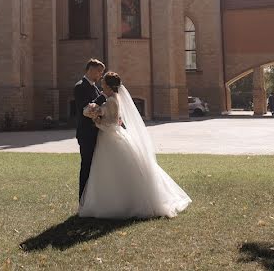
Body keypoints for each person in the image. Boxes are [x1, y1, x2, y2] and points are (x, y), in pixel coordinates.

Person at [78, 72, 192, 219]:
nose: (102, 88)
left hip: (110, 137)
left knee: (114, 170)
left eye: (103, 85)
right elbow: (114, 119)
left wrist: (96, 121)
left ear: (109, 86)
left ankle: (120, 203)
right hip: (111, 137)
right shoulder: (113, 98)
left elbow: (111, 124)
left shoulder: (112, 100)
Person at [74, 58, 106, 201]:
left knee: (95, 166)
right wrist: (103, 98)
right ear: (91, 69)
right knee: (86, 164)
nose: (100, 75)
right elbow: (86, 110)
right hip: (86, 133)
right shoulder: (80, 86)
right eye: (99, 71)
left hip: (96, 131)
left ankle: (92, 198)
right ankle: (83, 199)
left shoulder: (94, 87)